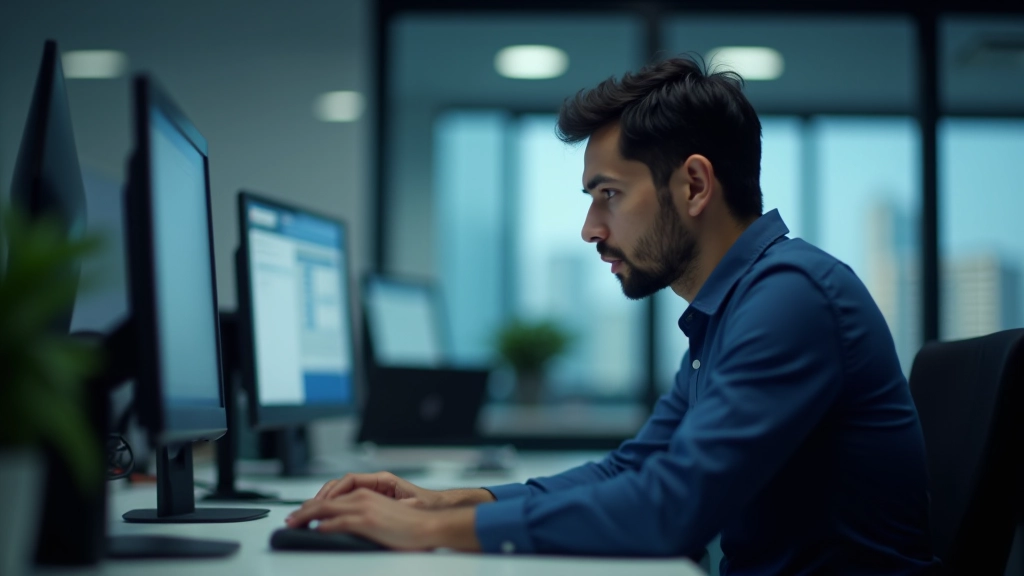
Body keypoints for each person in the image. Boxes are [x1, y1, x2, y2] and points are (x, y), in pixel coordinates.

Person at [285, 56, 940, 575]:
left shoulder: (792, 299)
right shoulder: (735, 309)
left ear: (693, 185)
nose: (589, 228)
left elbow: (670, 511)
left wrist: (430, 531)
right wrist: (449, 501)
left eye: (609, 195)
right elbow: (636, 468)